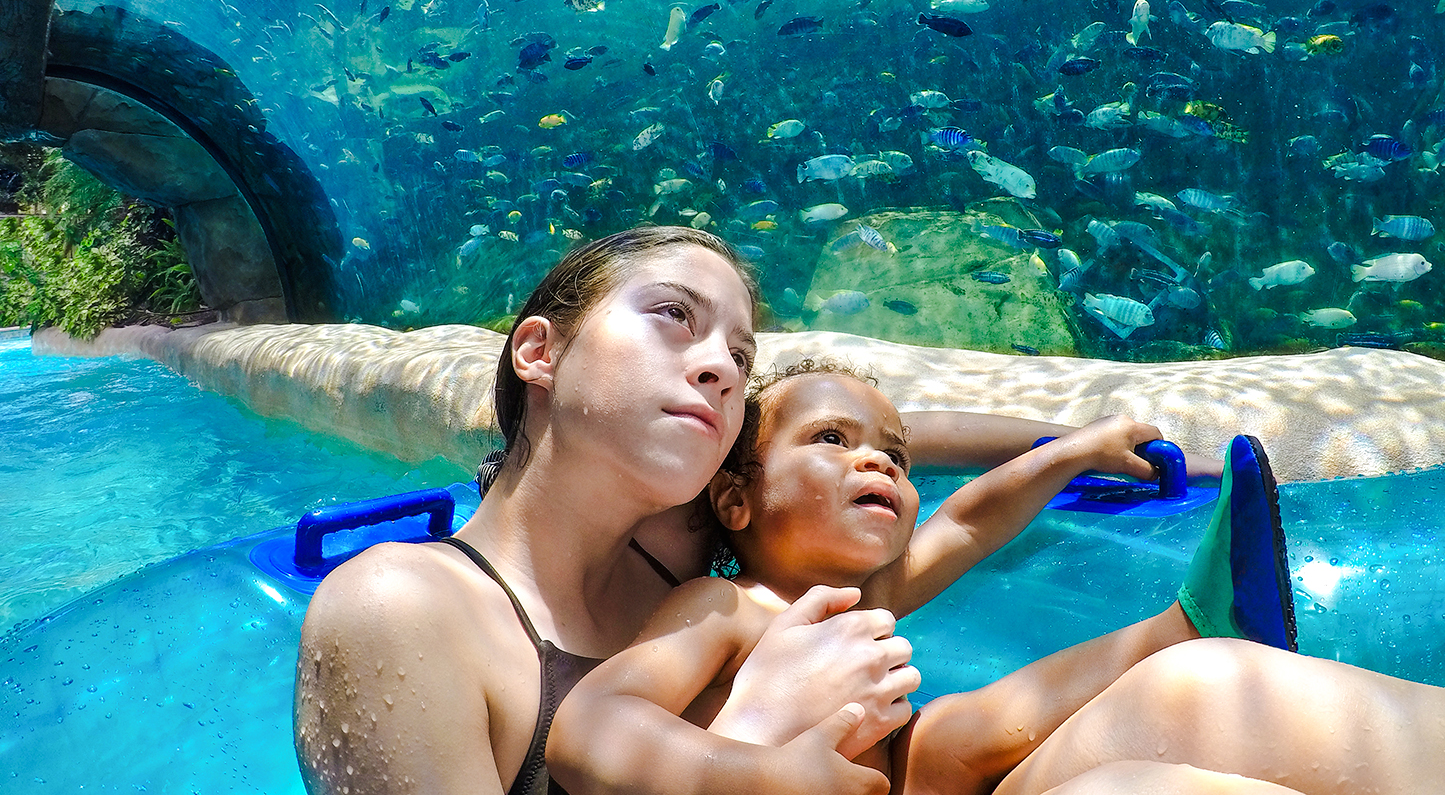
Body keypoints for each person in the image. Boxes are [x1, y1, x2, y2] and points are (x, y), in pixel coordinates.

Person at [293, 226, 1201, 795]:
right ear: (539, 351)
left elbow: (872, 434)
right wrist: (757, 727)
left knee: (1197, 719)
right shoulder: (404, 610)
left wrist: (1071, 439)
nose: (722, 365)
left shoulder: (683, 544)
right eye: (673, 317)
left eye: (738, 351)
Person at [545, 360, 1292, 795]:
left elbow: (968, 521)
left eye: (895, 457)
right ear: (737, 500)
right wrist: (756, 775)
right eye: (831, 440)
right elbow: (588, 726)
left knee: (946, 731)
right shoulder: (723, 607)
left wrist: (1073, 451)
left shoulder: (871, 598)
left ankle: (1192, 622)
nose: (877, 461)